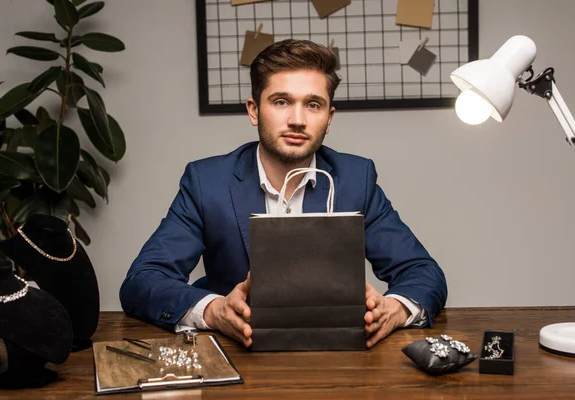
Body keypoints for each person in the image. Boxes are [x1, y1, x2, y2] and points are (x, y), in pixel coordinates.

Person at [120, 39, 447, 349]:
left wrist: (394, 309)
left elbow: (423, 272)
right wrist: (214, 311)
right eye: (281, 102)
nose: (297, 120)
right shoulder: (207, 182)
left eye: (313, 104)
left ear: (329, 118)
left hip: (336, 359)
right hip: (236, 359)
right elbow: (143, 279)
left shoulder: (354, 179)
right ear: (253, 110)